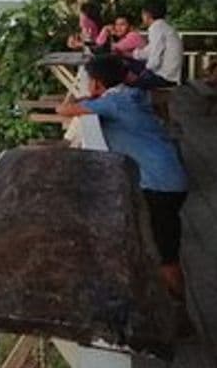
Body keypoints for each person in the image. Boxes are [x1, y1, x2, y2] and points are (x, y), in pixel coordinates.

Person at [56, 55, 192, 329]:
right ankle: (167, 310)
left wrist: (87, 98)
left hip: (158, 184)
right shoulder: (130, 95)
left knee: (164, 253)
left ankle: (179, 317)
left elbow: (65, 110)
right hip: (170, 179)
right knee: (156, 245)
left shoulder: (114, 103)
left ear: (96, 82)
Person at [127, 0, 184, 90]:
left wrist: (143, 73)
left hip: (164, 78)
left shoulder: (156, 28)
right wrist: (131, 54)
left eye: (143, 14)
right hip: (170, 76)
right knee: (133, 66)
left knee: (128, 85)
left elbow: (154, 60)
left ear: (147, 15)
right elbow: (148, 51)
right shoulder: (163, 27)